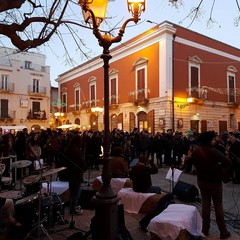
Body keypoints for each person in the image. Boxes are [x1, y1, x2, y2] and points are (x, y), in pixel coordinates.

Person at [192, 131, 231, 239]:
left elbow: (194, 162)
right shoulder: (214, 151)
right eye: (213, 139)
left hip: (202, 181)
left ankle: (205, 229)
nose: (215, 141)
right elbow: (228, 162)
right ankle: (223, 232)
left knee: (206, 205)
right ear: (210, 140)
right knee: (218, 206)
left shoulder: (196, 151)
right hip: (214, 182)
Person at [63, 132, 88, 215]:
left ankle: (72, 206)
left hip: (70, 172)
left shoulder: (69, 148)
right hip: (75, 173)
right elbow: (80, 160)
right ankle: (73, 208)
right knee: (76, 191)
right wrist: (85, 167)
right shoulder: (75, 150)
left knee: (72, 190)